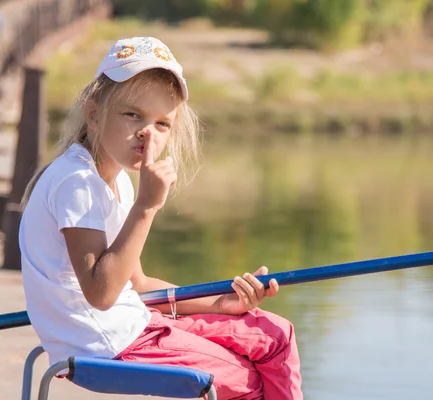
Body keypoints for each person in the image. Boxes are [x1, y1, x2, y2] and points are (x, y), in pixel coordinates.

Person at [19, 36, 302, 399]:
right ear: (93, 112)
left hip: (134, 323)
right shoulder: (77, 182)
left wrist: (220, 303)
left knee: (276, 337)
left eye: (162, 124)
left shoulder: (116, 178)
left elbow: (135, 284)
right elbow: (101, 293)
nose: (146, 133)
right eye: (132, 115)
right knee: (247, 383)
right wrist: (147, 207)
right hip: (107, 345)